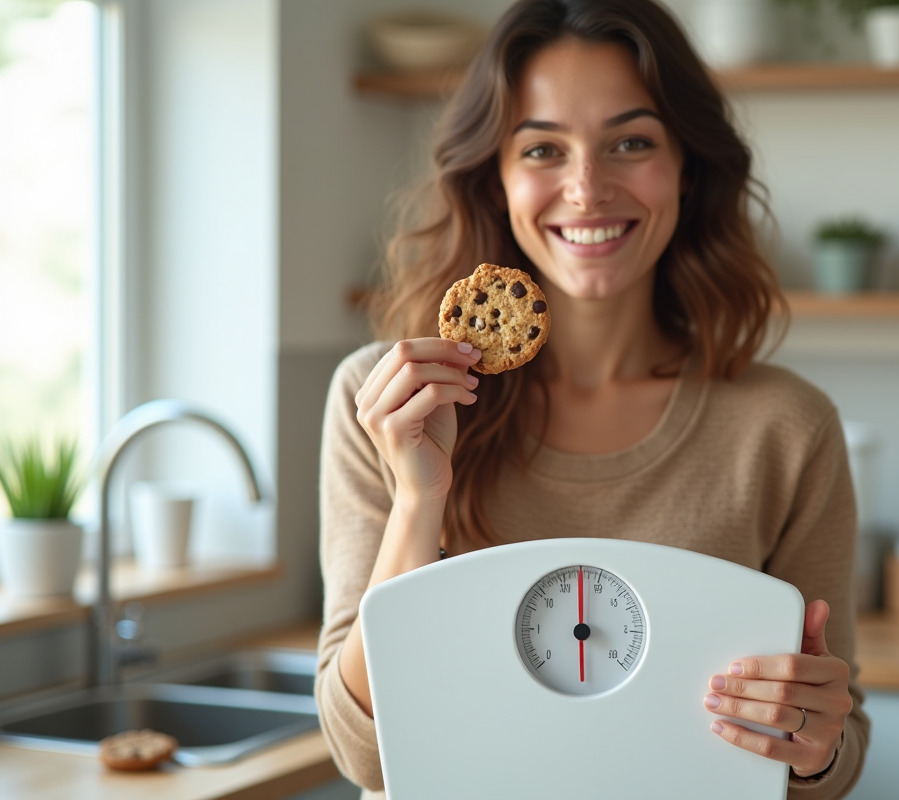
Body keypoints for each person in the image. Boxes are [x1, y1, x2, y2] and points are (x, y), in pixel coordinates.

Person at [315, 0, 869, 797]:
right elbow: (362, 756)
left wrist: (815, 742)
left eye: (632, 142)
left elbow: (835, 753)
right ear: (494, 177)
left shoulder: (784, 428)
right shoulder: (388, 403)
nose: (586, 187)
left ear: (688, 166)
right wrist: (417, 499)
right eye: (543, 148)